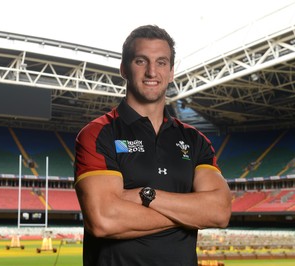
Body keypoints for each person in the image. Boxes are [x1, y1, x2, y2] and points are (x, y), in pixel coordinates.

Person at [74, 24, 232, 266]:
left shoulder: (195, 140)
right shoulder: (98, 133)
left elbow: (220, 211)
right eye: (140, 61)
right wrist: (191, 212)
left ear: (171, 72)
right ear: (124, 69)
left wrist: (145, 195)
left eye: (161, 62)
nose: (151, 72)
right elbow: (103, 219)